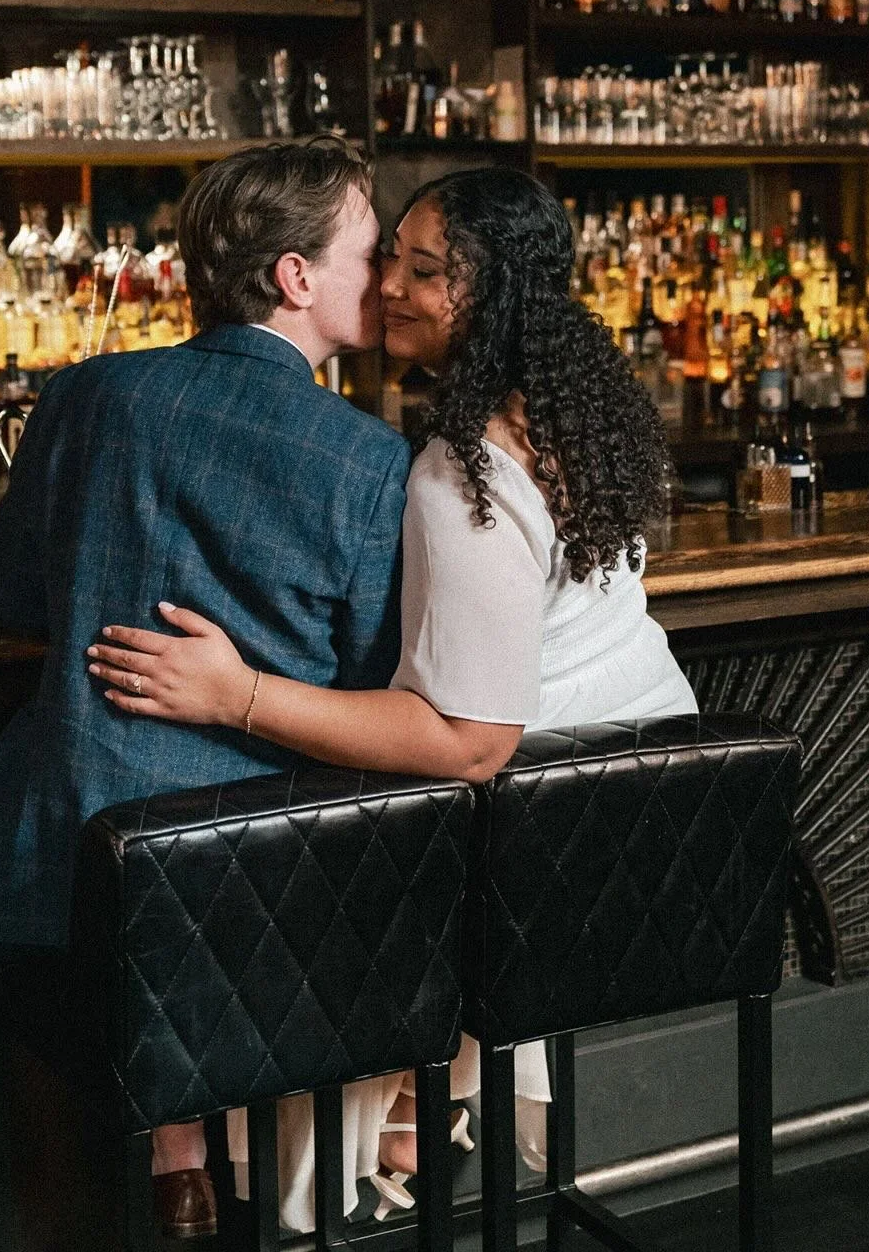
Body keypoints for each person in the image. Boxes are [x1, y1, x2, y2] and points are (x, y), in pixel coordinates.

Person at [0, 139, 411, 1252]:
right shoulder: (373, 461)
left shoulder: (89, 392)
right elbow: (379, 693)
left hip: (71, 871)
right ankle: (184, 1146)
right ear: (296, 276)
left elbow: (11, 592)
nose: (388, 277)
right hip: (269, 901)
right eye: (370, 253)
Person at [86, 167, 699, 1230]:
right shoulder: (567, 411)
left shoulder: (462, 471)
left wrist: (237, 693)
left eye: (424, 269)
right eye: (388, 259)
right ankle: (402, 1151)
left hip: (568, 846)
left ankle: (311, 1192)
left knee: (286, 890)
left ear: (492, 295)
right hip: (656, 809)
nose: (391, 286)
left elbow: (468, 742)